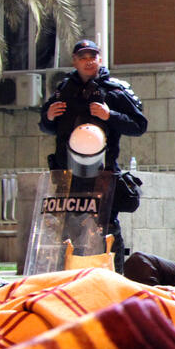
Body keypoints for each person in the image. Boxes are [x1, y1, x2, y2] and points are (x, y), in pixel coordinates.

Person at [39, 39, 148, 273]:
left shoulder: (115, 90)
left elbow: (139, 125)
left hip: (102, 174)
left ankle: (115, 278)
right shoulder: (63, 89)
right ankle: (67, 280)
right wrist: (48, 116)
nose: (89, 61)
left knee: (106, 229)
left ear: (100, 59)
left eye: (93, 56)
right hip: (68, 175)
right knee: (67, 230)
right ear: (74, 61)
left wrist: (111, 115)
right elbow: (47, 126)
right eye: (83, 57)